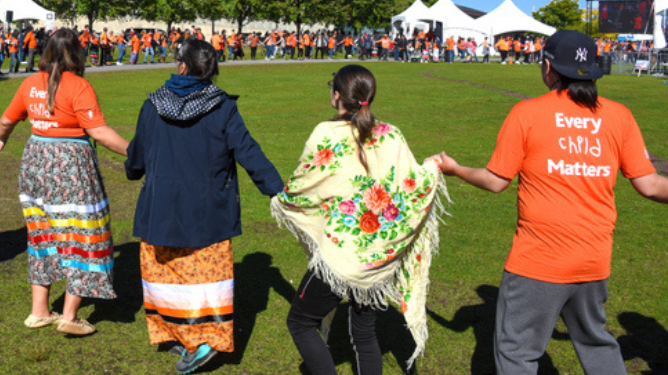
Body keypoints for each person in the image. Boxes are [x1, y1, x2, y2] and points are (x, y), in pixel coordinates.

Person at [437, 30, 668, 375]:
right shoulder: (619, 116)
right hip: (593, 260)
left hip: (538, 261)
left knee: (516, 353)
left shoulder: (527, 113)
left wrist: (455, 169)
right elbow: (650, 185)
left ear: (548, 67)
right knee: (596, 342)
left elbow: (496, 180)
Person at [272, 65, 448, 375]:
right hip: (380, 257)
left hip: (343, 257)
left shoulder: (326, 133)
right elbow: (412, 184)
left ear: (336, 95)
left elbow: (303, 184)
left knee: (300, 322)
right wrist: (432, 167)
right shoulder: (392, 134)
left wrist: (283, 200)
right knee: (364, 333)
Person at [124, 38, 283, 374]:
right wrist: (278, 189)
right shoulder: (210, 106)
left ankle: (201, 339)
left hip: (167, 207)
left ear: (182, 65)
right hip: (206, 209)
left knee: (184, 275)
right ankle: (192, 336)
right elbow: (248, 151)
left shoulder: (156, 106)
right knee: (187, 276)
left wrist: (278, 190)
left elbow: (136, 160)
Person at [0, 28, 129, 336]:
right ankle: (69, 316)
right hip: (72, 167)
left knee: (42, 234)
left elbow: (6, 120)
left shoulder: (29, 83)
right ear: (76, 53)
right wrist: (135, 153)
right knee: (84, 235)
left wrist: (0, 140)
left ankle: (39, 311)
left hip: (36, 164)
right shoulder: (79, 86)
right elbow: (99, 132)